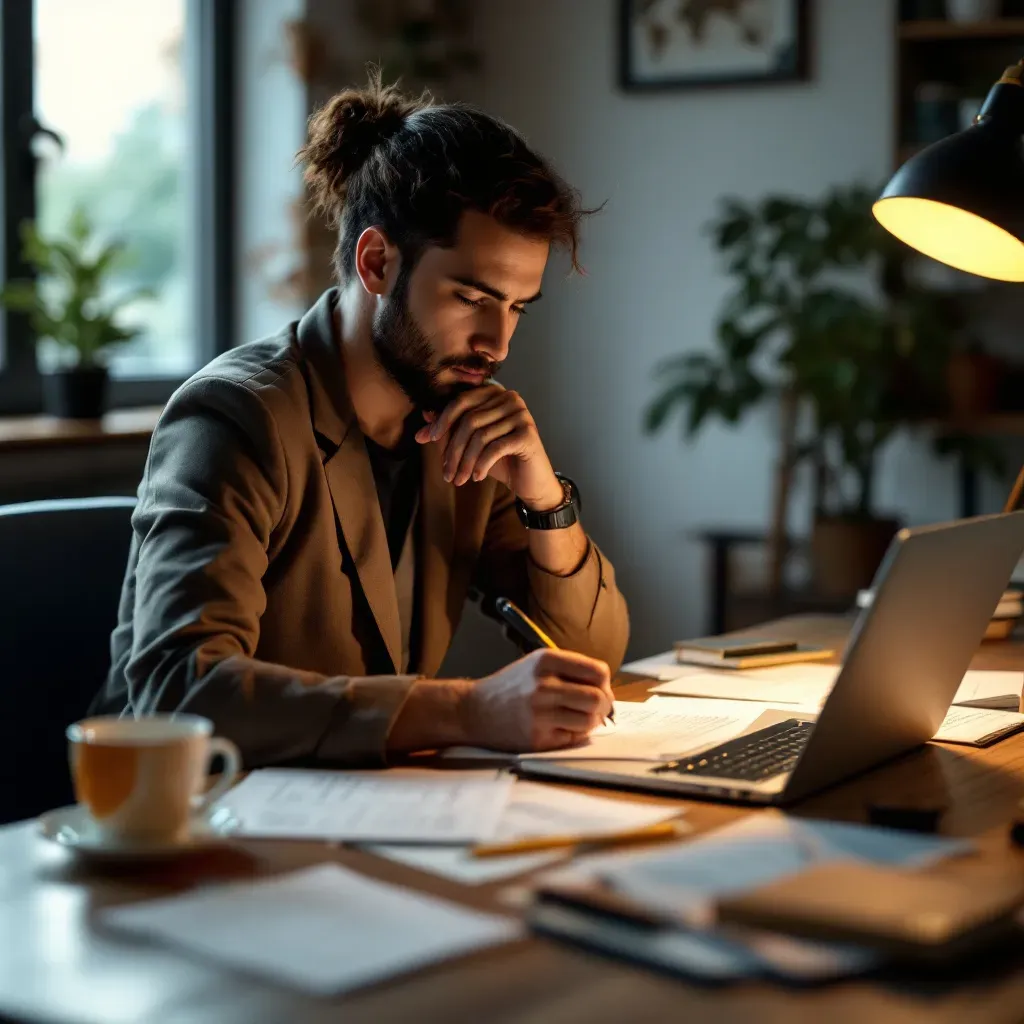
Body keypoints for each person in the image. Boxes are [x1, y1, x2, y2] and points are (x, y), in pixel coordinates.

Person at [90, 74, 630, 766]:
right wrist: (464, 709)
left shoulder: (457, 420)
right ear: (377, 262)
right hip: (196, 822)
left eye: (518, 306)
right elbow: (178, 694)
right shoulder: (236, 416)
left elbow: (588, 659)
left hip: (366, 810)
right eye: (472, 297)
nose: (498, 343)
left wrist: (543, 499)